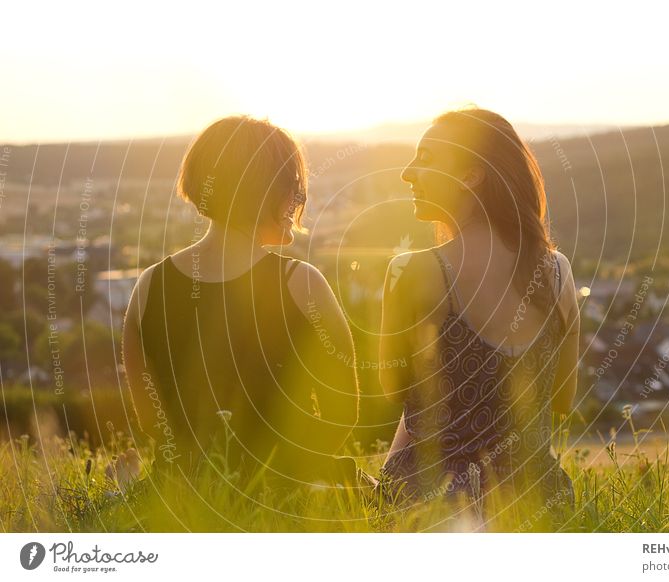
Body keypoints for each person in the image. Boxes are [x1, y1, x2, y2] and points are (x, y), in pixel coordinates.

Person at [122, 116, 359, 488]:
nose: (299, 200)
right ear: (274, 192)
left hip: (180, 492)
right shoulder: (301, 283)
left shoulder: (148, 286)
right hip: (285, 490)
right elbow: (342, 413)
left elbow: (151, 420)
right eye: (295, 187)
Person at [377, 108, 580, 527]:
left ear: (471, 176)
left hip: (433, 505)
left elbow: (395, 391)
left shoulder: (416, 270)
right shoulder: (559, 271)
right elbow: (560, 401)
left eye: (426, 159)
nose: (407, 174)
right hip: (536, 504)